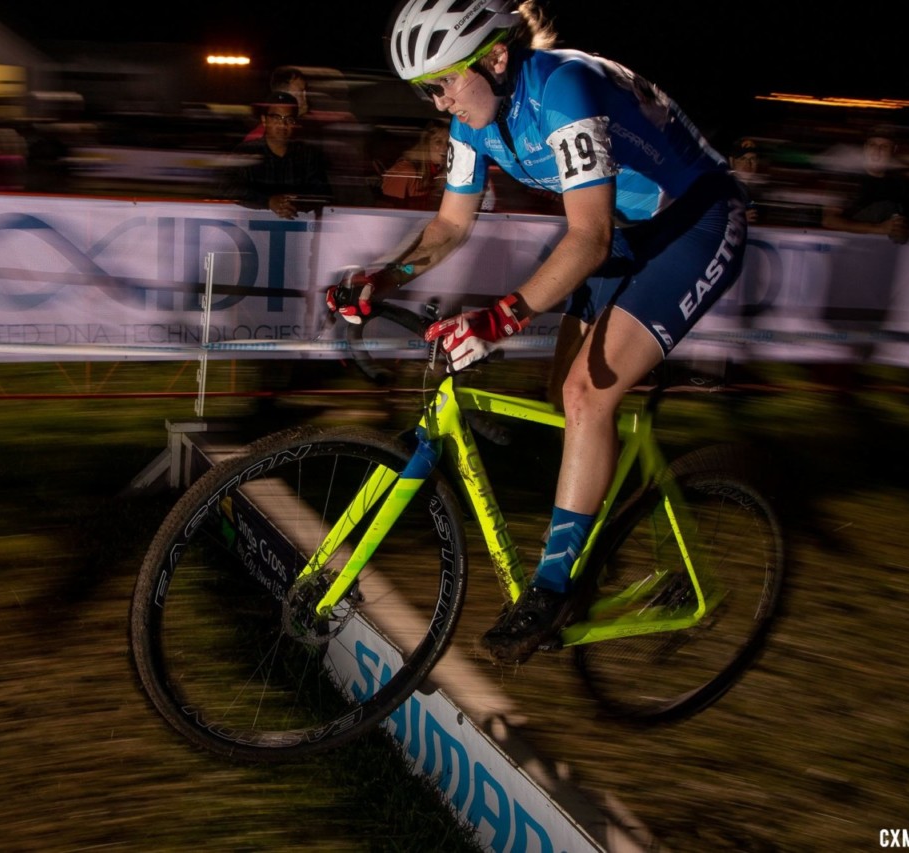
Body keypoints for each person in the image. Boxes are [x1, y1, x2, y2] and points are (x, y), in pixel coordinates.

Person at [325, 0, 748, 664]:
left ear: (493, 59)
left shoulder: (563, 89)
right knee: (564, 396)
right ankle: (595, 542)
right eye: (425, 90)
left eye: (443, 84)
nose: (439, 104)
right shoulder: (477, 115)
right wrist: (386, 275)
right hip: (626, 234)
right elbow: (450, 227)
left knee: (586, 395)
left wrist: (502, 317)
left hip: (694, 221)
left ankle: (550, 592)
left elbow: (590, 234)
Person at [220, 91, 332, 220]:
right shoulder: (246, 151)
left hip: (299, 228)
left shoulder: (308, 154)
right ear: (264, 120)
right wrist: (268, 201)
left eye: (289, 119)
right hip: (253, 229)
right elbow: (228, 188)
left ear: (295, 123)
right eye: (276, 118)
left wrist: (295, 203)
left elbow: (323, 193)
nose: (282, 125)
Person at [820, 127, 909, 243]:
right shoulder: (848, 178)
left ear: (893, 150)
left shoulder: (901, 184)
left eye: (884, 146)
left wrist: (906, 229)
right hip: (849, 246)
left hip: (887, 251)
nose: (877, 150)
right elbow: (829, 220)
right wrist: (878, 229)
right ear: (865, 148)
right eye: (872, 145)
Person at [379, 120, 450, 209]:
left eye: (448, 143)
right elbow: (387, 212)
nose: (445, 148)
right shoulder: (405, 172)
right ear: (425, 144)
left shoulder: (436, 173)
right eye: (438, 142)